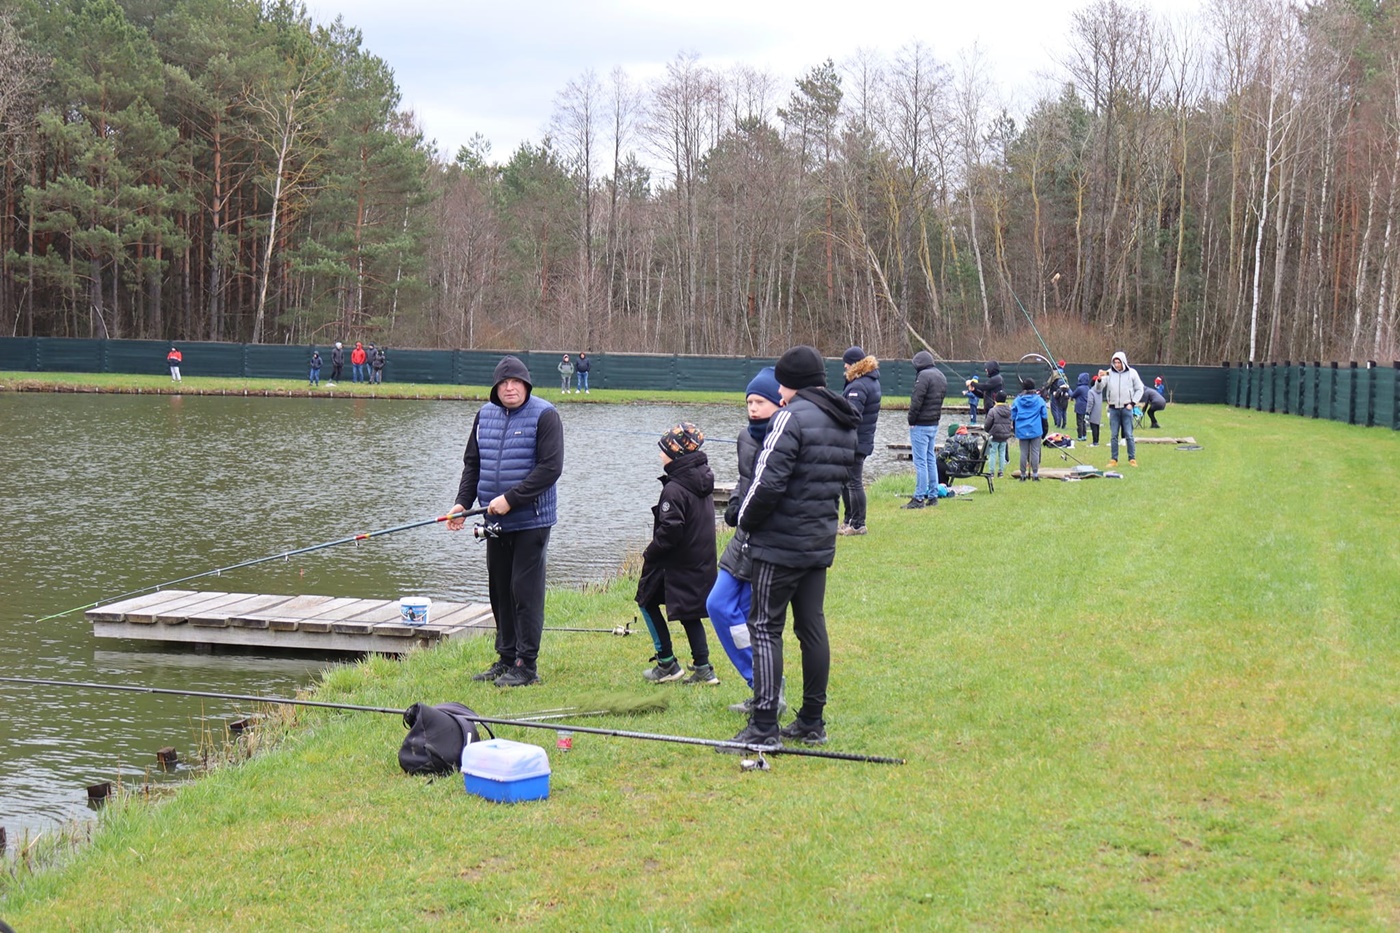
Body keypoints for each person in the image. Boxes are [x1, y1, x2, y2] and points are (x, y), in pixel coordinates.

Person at [724, 345, 858, 752]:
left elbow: (766, 483)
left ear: (789, 383)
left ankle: (763, 725)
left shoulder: (788, 418)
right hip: (817, 542)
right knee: (811, 628)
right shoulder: (842, 420)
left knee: (764, 626)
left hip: (779, 545)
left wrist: (743, 523)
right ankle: (812, 721)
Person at [447, 356, 564, 687]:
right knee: (499, 590)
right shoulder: (484, 416)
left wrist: (510, 499)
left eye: (516, 382)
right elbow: (473, 464)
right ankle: (506, 657)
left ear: (526, 386)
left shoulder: (545, 415)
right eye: (503, 383)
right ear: (495, 389)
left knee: (523, 591)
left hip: (532, 519)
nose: (509, 387)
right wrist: (461, 504)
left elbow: (550, 469)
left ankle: (527, 666)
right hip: (493, 521)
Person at [708, 367, 787, 714]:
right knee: (718, 604)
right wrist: (736, 508)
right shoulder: (744, 437)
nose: (753, 408)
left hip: (771, 541)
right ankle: (758, 680)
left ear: (778, 402)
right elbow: (745, 481)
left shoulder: (787, 435)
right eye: (749, 402)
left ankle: (768, 690)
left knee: (755, 616)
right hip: (742, 539)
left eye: (761, 401)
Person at [637, 422, 719, 685]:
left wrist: (650, 553)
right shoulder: (701, 477)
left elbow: (671, 531)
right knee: (689, 612)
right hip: (699, 560)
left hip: (676, 562)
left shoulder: (675, 488)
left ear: (676, 453)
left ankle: (666, 664)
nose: (660, 454)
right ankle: (704, 669)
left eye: (664, 449)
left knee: (646, 601)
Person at [839, 346, 881, 536]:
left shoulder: (858, 386)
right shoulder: (870, 381)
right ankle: (849, 520)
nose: (844, 366)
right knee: (847, 482)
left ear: (854, 364)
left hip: (855, 441)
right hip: (862, 439)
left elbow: (851, 416)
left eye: (846, 363)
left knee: (854, 482)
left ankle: (858, 524)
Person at [906, 349, 947, 509]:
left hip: (921, 424)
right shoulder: (941, 375)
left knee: (920, 461)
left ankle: (919, 497)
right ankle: (933, 495)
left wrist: (911, 419)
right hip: (934, 423)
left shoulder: (923, 377)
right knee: (930, 459)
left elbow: (917, 400)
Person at [1095, 351, 1144, 467]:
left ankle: (1132, 459)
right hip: (1113, 409)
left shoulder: (1132, 373)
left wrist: (1132, 403)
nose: (1116, 365)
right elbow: (1099, 388)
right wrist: (1099, 380)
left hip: (1127, 408)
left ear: (1123, 362)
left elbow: (1140, 389)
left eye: (1118, 362)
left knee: (1129, 434)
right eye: (1115, 362)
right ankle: (1113, 459)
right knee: (1113, 435)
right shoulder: (1109, 373)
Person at [1012, 377, 1049, 481]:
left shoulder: (1017, 400)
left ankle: (1023, 475)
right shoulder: (1039, 400)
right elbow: (1044, 416)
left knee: (1023, 452)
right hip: (1036, 429)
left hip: (1021, 429)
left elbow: (1013, 416)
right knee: (1035, 451)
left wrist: (1015, 429)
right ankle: (1035, 474)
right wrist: (1045, 431)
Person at [982, 391, 1013, 478]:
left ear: (995, 399)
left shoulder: (993, 410)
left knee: (992, 453)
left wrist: (987, 430)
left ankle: (991, 472)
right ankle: (1001, 472)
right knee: (1002, 453)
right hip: (1005, 435)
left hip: (994, 435)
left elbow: (988, 423)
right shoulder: (1009, 410)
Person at [1070, 372, 1094, 441]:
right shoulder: (1087, 388)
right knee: (1083, 422)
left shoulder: (1080, 388)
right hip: (1086, 407)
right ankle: (1084, 435)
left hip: (1080, 407)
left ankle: (1080, 436)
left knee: (1079, 422)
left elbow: (1072, 395)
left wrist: (1068, 389)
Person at [1085, 372, 1104, 446]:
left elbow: (1090, 402)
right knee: (1097, 426)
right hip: (1098, 410)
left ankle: (1095, 442)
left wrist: (1087, 412)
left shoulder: (1091, 391)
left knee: (1093, 427)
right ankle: (1097, 441)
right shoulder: (1100, 392)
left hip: (1093, 411)